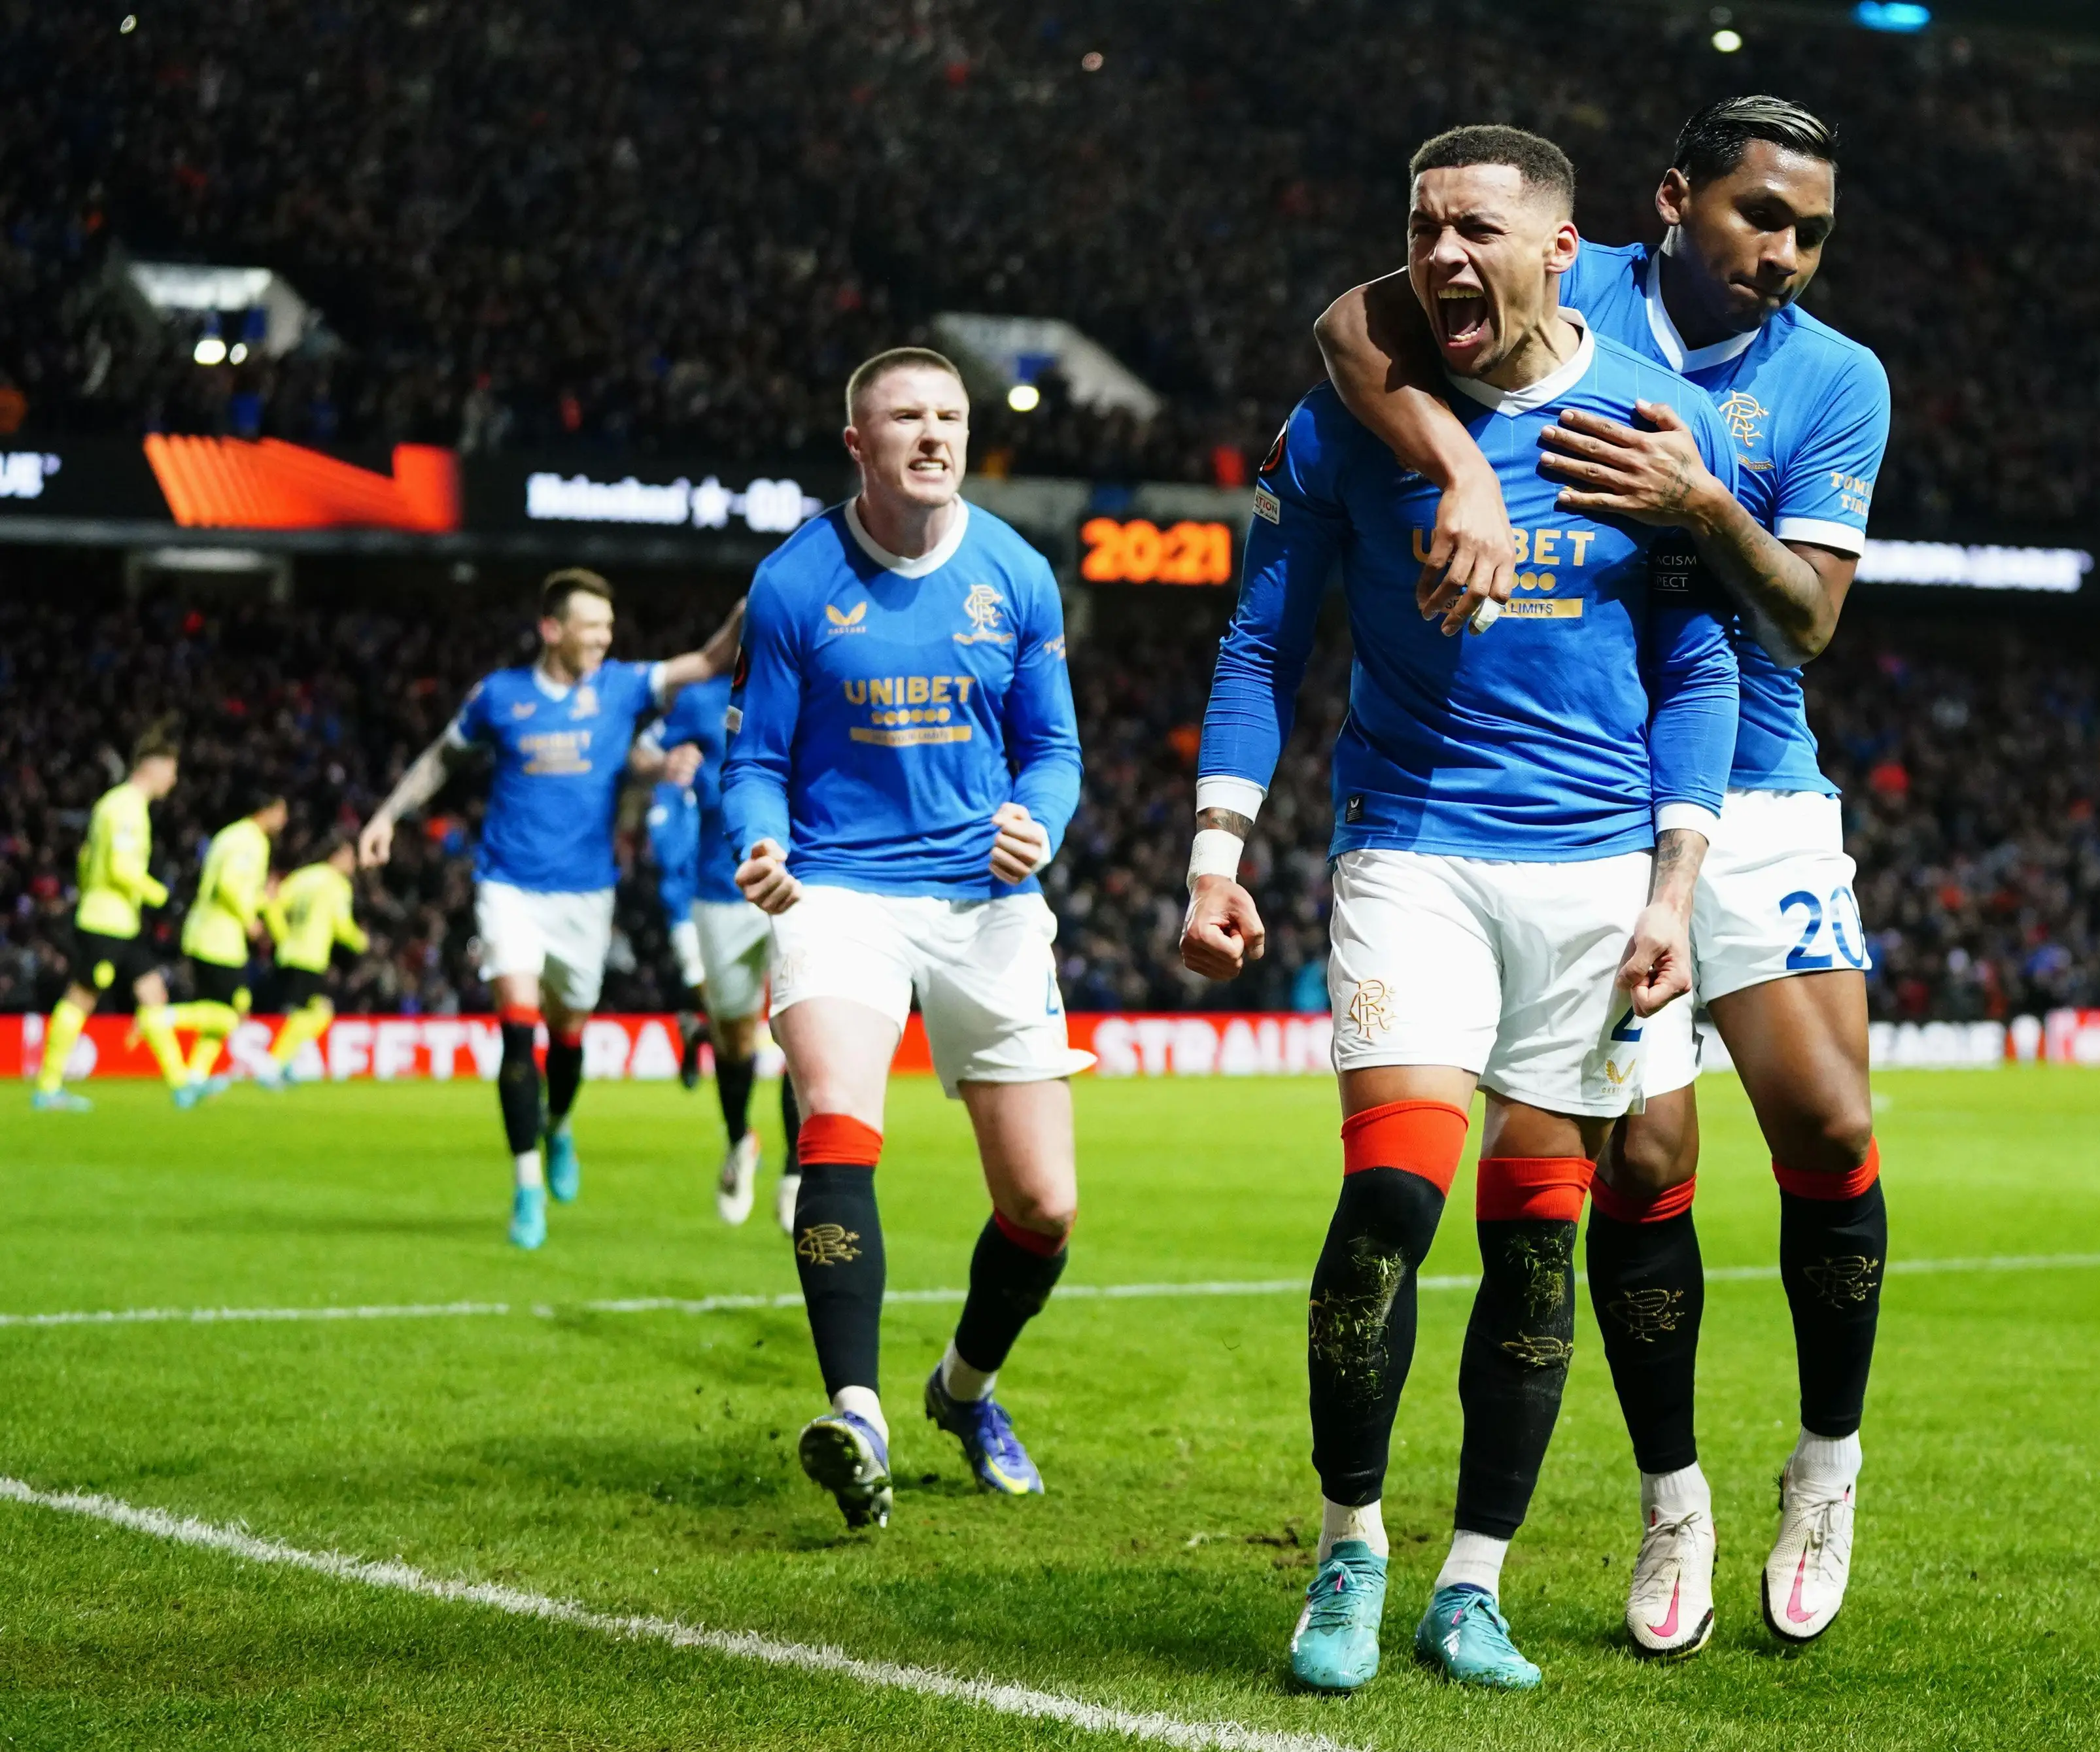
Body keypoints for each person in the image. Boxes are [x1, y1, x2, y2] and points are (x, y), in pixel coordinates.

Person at [1313, 94, 1892, 1653]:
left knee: (1829, 1119)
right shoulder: (1558, 289)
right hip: (1566, 801)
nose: (1782, 253)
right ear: (1668, 207)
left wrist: (1705, 506)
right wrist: (1464, 466)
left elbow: (1806, 620)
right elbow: (1345, 330)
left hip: (1747, 783)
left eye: (1809, 233)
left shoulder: (1836, 381)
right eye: (1757, 218)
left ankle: (1823, 1462)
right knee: (1634, 1167)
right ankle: (1671, 1495)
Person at [1184, 126, 1740, 1693]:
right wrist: (1216, 851)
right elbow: (1257, 644)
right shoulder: (1347, 423)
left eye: (1473, 228)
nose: (1438, 255)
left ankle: (1471, 1580)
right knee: (1392, 1202)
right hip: (1409, 844)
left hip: (1593, 871)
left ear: (1561, 252)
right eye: (1418, 225)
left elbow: (1702, 665)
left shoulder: (1657, 422)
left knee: (1536, 1238)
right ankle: (1349, 1545)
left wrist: (1672, 886)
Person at [722, 345, 1088, 1532]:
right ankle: (860, 1411)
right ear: (857, 445)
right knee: (836, 1111)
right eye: (906, 418)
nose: (934, 435)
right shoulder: (791, 585)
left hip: (985, 901)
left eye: (951, 416)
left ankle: (962, 1388)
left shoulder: (1018, 574)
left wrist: (1044, 820)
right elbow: (755, 759)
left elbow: (1054, 747)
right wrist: (762, 841)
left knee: (1043, 1204)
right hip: (840, 892)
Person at [358, 570, 740, 1249]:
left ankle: (558, 1127)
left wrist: (754, 603)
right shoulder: (499, 697)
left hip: (586, 895)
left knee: (568, 1037)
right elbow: (440, 760)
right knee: (517, 1029)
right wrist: (388, 814)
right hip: (508, 885)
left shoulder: (622, 687)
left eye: (608, 629)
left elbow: (708, 661)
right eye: (591, 627)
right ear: (552, 629)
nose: (603, 638)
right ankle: (526, 1183)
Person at [656, 669, 788, 1227]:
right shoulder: (700, 702)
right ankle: (740, 1141)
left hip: (804, 882)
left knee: (806, 1032)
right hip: (723, 890)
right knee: (734, 1037)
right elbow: (645, 758)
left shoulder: (820, 675)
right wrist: (663, 772)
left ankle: (802, 1171)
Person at [32, 728, 200, 1110]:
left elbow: (87, 860)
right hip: (106, 920)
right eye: (171, 771)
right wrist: (161, 894)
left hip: (121, 920)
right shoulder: (125, 808)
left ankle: (180, 1084)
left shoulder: (119, 805)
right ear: (152, 767)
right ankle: (47, 1086)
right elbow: (122, 868)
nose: (173, 780)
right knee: (83, 994)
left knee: (152, 990)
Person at [173, 791, 288, 1089]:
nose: (285, 820)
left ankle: (195, 1078)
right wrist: (250, 920)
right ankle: (157, 1019)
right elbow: (228, 884)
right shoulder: (249, 841)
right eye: (281, 812)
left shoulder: (232, 836)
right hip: (217, 938)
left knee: (227, 1007)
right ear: (268, 810)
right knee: (227, 1012)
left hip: (214, 936)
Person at [258, 836, 370, 1085]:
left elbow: (272, 903)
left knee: (315, 1011)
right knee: (309, 1013)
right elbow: (341, 926)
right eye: (350, 858)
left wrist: (282, 937)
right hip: (311, 957)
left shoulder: (304, 877)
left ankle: (285, 1063)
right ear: (338, 855)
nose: (353, 864)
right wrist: (360, 941)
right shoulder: (337, 885)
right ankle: (274, 1064)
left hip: (289, 954)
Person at [642, 759, 712, 1090]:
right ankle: (700, 1033)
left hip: (723, 902)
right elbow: (669, 854)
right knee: (702, 983)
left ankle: (698, 1033)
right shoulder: (665, 799)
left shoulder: (715, 788)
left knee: (731, 997)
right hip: (683, 908)